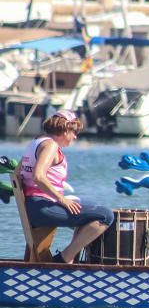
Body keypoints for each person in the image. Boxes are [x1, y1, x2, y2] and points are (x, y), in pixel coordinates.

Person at [18, 110, 114, 264]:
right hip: (42, 208)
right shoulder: (50, 146)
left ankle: (70, 258)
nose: (75, 137)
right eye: (74, 132)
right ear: (64, 129)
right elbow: (38, 176)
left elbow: (19, 172)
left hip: (35, 205)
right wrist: (62, 200)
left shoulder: (36, 142)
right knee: (105, 215)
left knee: (89, 206)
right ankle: (64, 259)